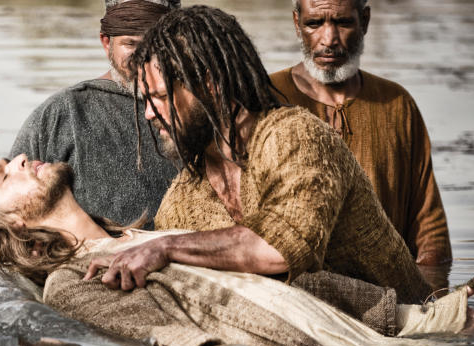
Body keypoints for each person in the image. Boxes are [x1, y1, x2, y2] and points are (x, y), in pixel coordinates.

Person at [0, 154, 474, 346]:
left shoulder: (155, 233)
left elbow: (293, 286)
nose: (19, 158)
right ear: (13, 223)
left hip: (385, 334)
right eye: (3, 174)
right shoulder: (71, 284)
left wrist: (424, 318)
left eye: (8, 160)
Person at [96, 5, 433, 306]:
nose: (149, 115)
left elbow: (282, 248)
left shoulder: (294, 136)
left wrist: (165, 247)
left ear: (209, 83)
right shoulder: (183, 200)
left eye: (159, 97)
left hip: (414, 334)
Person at [269, 0, 451, 267]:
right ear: (297, 24)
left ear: (364, 21)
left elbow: (429, 231)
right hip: (292, 291)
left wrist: (433, 300)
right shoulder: (266, 98)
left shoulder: (397, 104)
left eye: (343, 23)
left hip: (386, 289)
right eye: (314, 23)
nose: (328, 39)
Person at [9, 0, 178, 227]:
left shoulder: (206, 111)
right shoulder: (62, 113)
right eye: (131, 44)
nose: (145, 57)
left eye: (158, 45)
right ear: (106, 42)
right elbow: (7, 213)